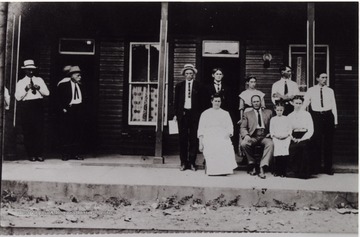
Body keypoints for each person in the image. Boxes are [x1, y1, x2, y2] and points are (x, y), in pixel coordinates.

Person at [302, 72, 337, 175]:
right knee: (316, 142)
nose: (325, 79)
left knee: (328, 143)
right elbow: (305, 104)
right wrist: (300, 116)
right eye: (322, 77)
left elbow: (334, 105)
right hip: (316, 117)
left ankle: (328, 168)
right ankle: (315, 168)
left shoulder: (330, 91)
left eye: (326, 77)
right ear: (317, 78)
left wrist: (335, 121)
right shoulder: (311, 90)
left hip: (328, 116)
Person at [15, 59, 50, 162]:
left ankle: (39, 154)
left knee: (39, 130)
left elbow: (47, 93)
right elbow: (18, 97)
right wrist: (26, 89)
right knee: (28, 130)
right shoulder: (21, 82)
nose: (30, 72)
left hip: (37, 105)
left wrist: (38, 88)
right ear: (25, 70)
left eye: (32, 70)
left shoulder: (39, 80)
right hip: (27, 106)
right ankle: (31, 154)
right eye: (28, 70)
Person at [173, 64, 204, 171]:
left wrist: (200, 115)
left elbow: (202, 103)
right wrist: (176, 115)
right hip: (183, 115)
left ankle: (192, 162)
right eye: (187, 73)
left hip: (194, 115)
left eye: (191, 73)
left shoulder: (199, 86)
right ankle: (183, 162)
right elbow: (176, 102)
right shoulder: (179, 86)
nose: (189, 75)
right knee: (183, 139)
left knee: (193, 139)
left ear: (194, 74)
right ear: (184, 75)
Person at [198, 93, 238, 176]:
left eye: (219, 101)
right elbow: (201, 129)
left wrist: (228, 134)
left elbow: (230, 126)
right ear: (211, 101)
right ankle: (213, 170)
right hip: (209, 135)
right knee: (212, 145)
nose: (217, 103)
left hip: (222, 135)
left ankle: (224, 170)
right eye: (215, 101)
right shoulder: (205, 113)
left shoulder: (225, 113)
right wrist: (200, 143)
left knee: (225, 144)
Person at [240, 95, 274, 179]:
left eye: (257, 101)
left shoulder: (269, 112)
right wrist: (246, 135)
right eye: (254, 102)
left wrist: (271, 132)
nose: (256, 103)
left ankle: (262, 166)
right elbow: (243, 127)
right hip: (253, 136)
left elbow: (274, 124)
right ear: (251, 103)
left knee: (271, 144)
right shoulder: (247, 114)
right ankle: (252, 164)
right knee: (244, 144)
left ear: (261, 102)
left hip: (265, 136)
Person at [56, 66, 85, 161]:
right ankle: (66, 154)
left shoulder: (81, 86)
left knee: (77, 132)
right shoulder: (63, 85)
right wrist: (63, 108)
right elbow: (58, 99)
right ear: (72, 75)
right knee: (67, 132)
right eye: (78, 75)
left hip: (79, 109)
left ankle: (75, 154)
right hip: (69, 110)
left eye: (80, 75)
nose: (80, 77)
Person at [287, 95, 314, 179]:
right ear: (292, 103)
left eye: (300, 103)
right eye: (296, 103)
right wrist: (292, 138)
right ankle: (294, 171)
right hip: (294, 135)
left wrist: (302, 139)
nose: (298, 105)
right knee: (292, 147)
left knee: (303, 146)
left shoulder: (307, 114)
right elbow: (288, 129)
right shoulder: (290, 116)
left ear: (302, 104)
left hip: (305, 135)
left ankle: (304, 173)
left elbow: (311, 129)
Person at [269, 102, 292, 177]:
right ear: (275, 110)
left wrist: (286, 135)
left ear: (283, 110)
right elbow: (271, 130)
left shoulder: (286, 118)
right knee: (277, 154)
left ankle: (283, 171)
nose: (279, 112)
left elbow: (289, 129)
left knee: (284, 154)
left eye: (281, 110)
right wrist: (275, 136)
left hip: (285, 138)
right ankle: (277, 171)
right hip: (277, 138)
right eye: (278, 110)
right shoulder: (273, 119)